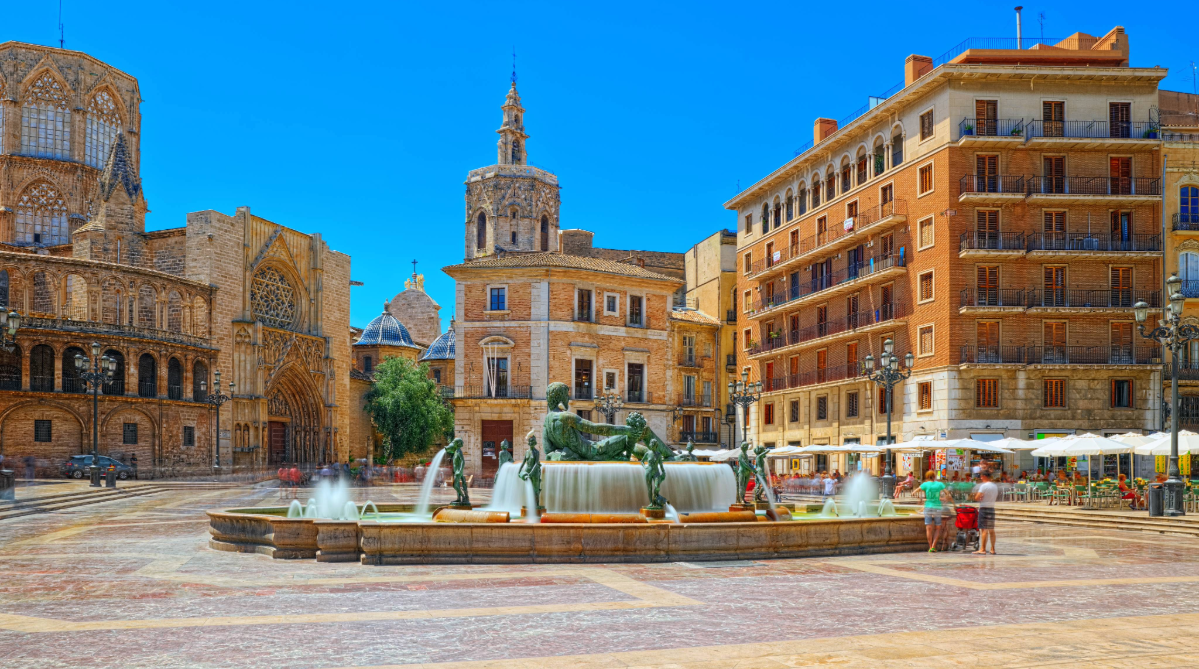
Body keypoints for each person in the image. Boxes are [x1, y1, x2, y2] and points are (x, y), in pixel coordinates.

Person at [919, 470, 953, 552]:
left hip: (928, 506)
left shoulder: (925, 484)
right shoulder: (939, 484)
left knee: (928, 527)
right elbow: (947, 493)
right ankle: (933, 546)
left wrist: (921, 499)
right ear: (934, 476)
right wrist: (945, 499)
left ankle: (930, 546)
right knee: (938, 527)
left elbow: (914, 492)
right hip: (937, 507)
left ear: (927, 477)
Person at [973, 470, 999, 555]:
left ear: (984, 476)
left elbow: (976, 497)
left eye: (981, 476)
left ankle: (983, 549)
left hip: (984, 508)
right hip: (991, 508)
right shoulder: (994, 486)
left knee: (983, 529)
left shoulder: (984, 486)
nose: (980, 478)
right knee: (991, 530)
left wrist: (978, 496)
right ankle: (992, 548)